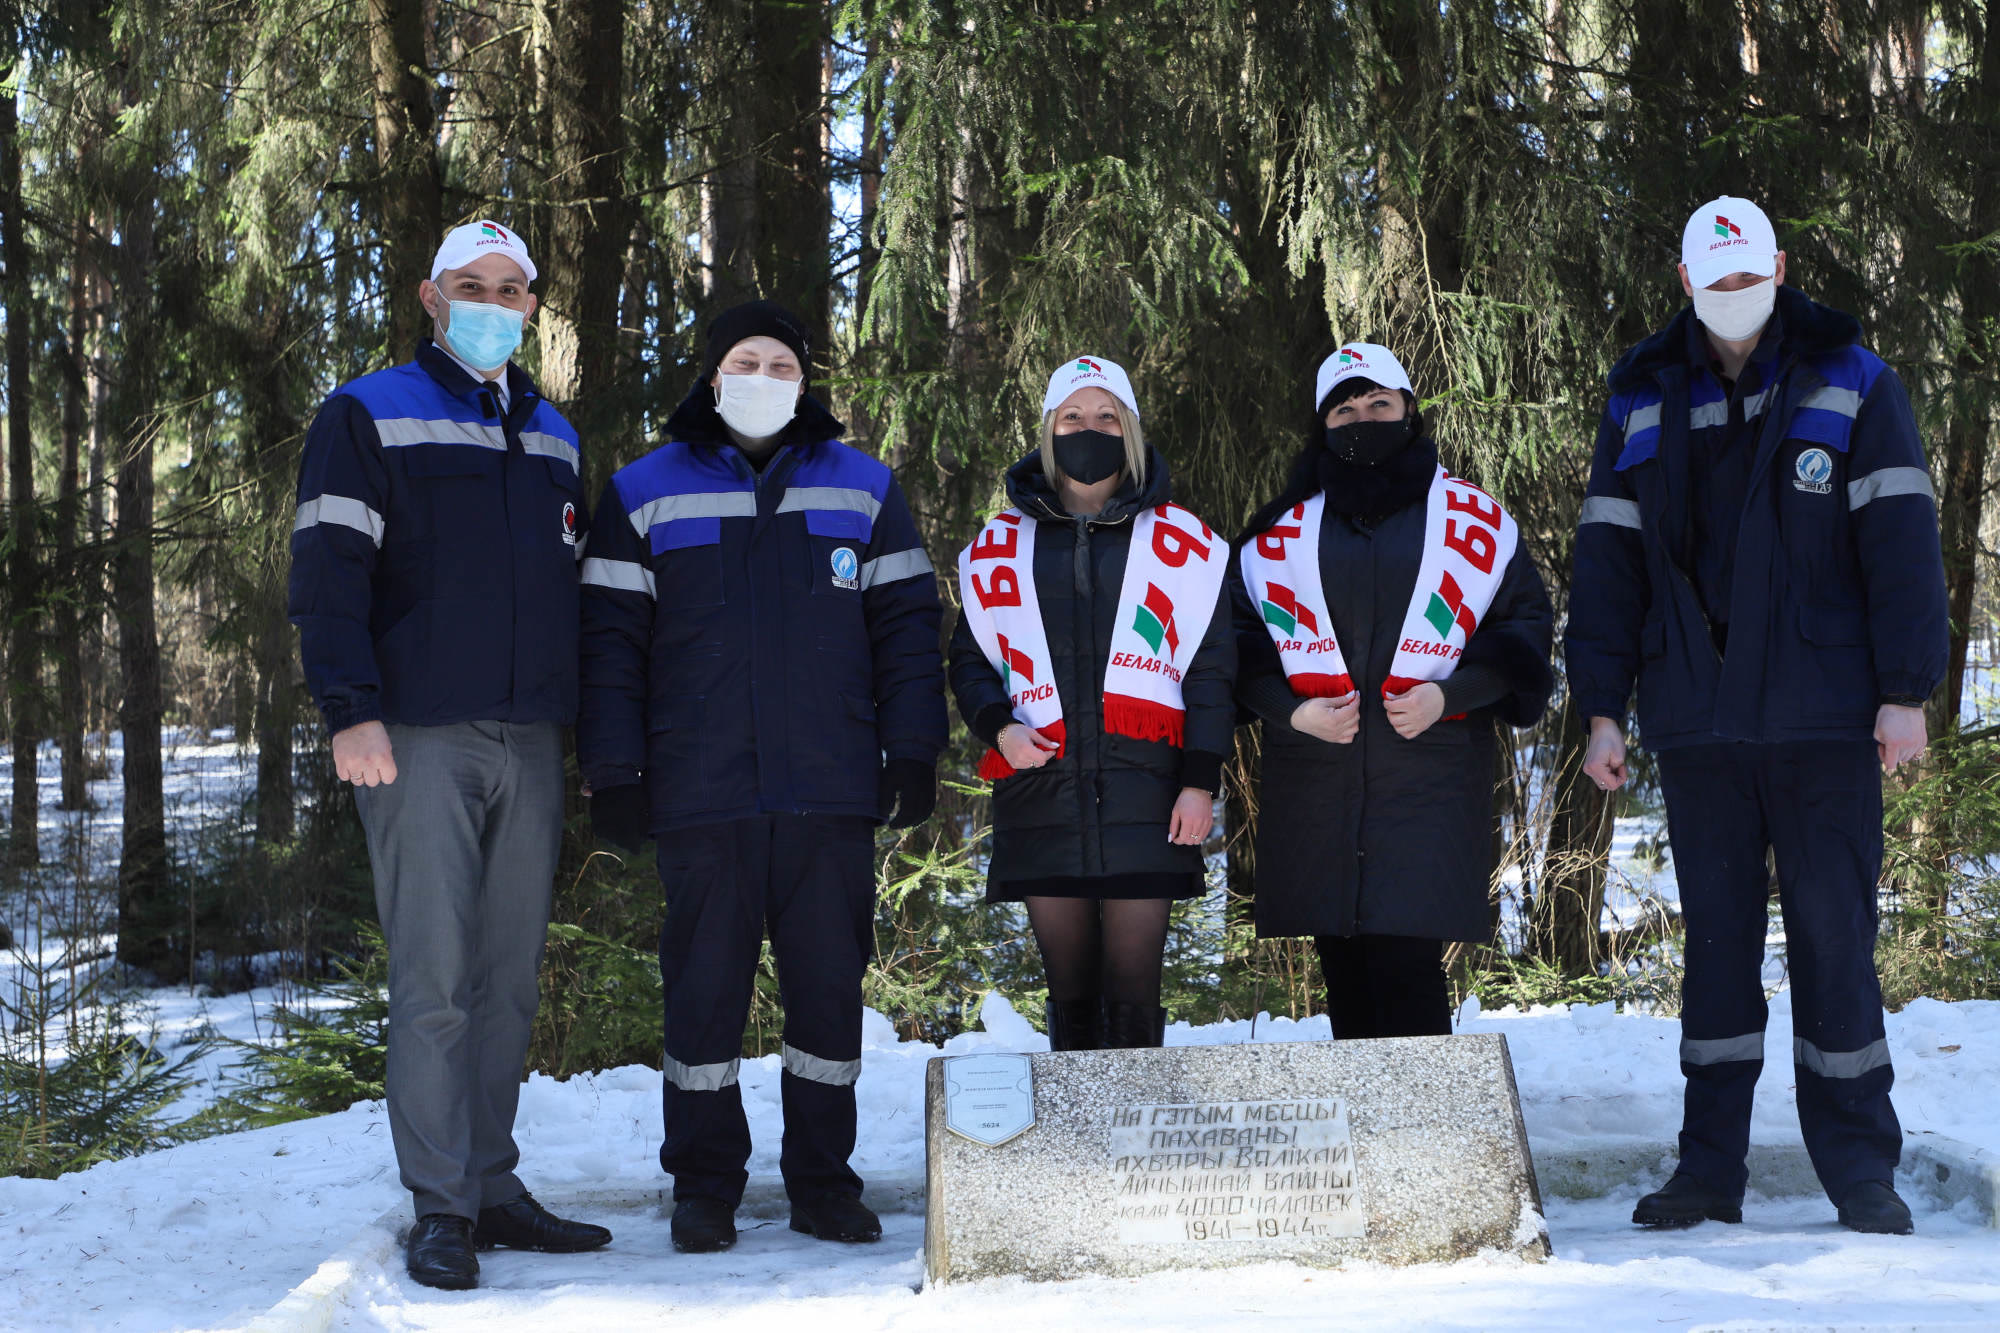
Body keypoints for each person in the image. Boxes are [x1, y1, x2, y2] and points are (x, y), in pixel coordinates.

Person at [1567, 196, 1946, 1236]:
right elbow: (1605, 568)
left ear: (1776, 267)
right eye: (1716, 281)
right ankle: (1706, 1169)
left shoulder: (1853, 380)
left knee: (1834, 944)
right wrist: (1600, 708)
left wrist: (1903, 691)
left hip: (1825, 718)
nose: (1735, 297)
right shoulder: (1639, 397)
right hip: (1696, 721)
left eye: (1749, 277)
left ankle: (1860, 1168)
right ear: (1687, 283)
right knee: (1716, 955)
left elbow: (1903, 547)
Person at [576, 300, 946, 1255]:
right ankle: (705, 1187)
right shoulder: (644, 489)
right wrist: (615, 771)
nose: (764, 376)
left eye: (783, 364)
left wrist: (912, 750)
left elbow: (907, 633)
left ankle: (823, 1182)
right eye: (746, 360)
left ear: (805, 381)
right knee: (701, 998)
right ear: (712, 374)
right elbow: (612, 646)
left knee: (827, 998)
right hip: (702, 793)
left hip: (829, 791)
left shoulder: (862, 486)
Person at [288, 219, 612, 1291]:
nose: (490, 302)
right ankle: (441, 1204)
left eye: (509, 288)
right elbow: (328, 572)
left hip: (530, 733)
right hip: (417, 734)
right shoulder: (368, 411)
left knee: (507, 976)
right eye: (469, 284)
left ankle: (493, 1181)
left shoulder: (555, 434)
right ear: (431, 296)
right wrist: (350, 709)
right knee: (434, 976)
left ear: (530, 307)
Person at [1232, 344, 1553, 1039]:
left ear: (1410, 410)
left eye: (1379, 404)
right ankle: (1366, 1141)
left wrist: (1452, 694)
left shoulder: (1476, 524)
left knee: (1410, 968)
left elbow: (1525, 634)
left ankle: (1430, 1136)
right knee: (1344, 970)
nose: (1362, 419)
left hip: (1427, 780)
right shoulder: (1276, 536)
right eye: (1344, 409)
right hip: (1320, 784)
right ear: (1322, 426)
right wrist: (1293, 711)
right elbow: (1235, 652)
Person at [949, 356, 1235, 1051]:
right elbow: (970, 661)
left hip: (1149, 794)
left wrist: (1200, 782)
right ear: (1049, 428)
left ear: (1129, 429)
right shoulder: (1000, 544)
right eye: (1074, 415)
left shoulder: (1184, 543)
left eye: (1108, 416)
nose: (1090, 428)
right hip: (1042, 787)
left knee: (1135, 996)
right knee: (1071, 996)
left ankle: (1135, 1152)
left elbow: (1211, 672)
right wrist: (1000, 729)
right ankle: (1077, 1157)